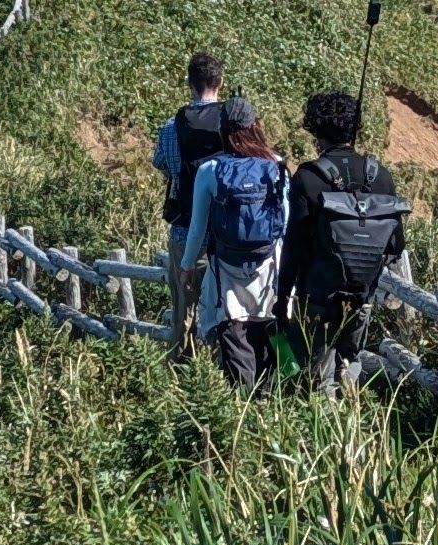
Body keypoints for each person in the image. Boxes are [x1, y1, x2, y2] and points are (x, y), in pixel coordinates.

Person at [277, 89, 410, 381]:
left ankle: (320, 421)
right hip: (361, 295)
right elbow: (396, 245)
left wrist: (282, 295)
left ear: (315, 130)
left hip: (316, 294)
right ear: (356, 128)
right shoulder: (382, 176)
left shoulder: (308, 177)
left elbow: (294, 245)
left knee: (314, 375)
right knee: (348, 365)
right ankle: (352, 419)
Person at [179, 112, 288, 386]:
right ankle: (273, 402)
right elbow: (286, 224)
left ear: (222, 130)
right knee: (271, 335)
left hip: (227, 271)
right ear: (256, 126)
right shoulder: (277, 166)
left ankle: (243, 404)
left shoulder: (210, 170)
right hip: (269, 269)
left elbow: (197, 227)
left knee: (234, 334)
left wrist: (187, 265)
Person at [155, 53, 244, 357]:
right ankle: (220, 368)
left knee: (184, 305)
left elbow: (162, 165)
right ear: (220, 82)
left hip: (184, 227)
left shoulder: (170, 127)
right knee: (225, 305)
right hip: (228, 233)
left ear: (190, 84)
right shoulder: (233, 126)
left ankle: (183, 369)